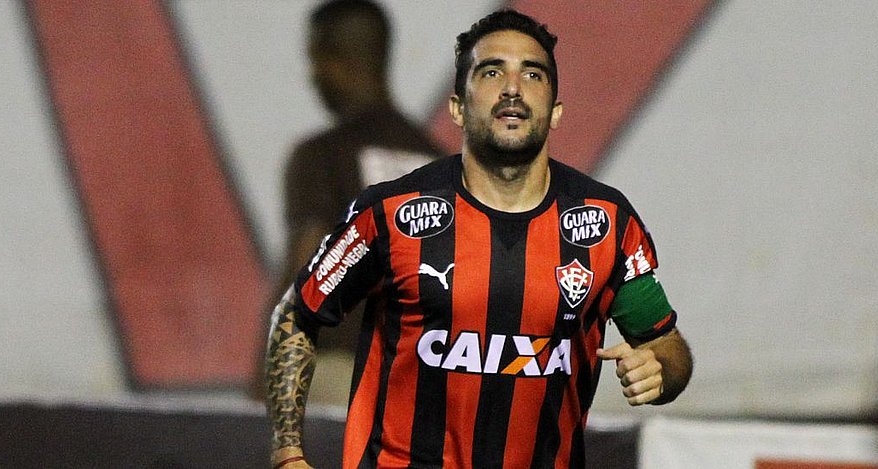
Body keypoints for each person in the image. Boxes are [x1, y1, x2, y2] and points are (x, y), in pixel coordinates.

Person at [265, 9, 694, 468]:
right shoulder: (390, 213)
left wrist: (660, 372)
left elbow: (665, 344)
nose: (512, 88)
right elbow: (298, 313)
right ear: (457, 107)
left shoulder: (606, 223)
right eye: (492, 72)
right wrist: (288, 452)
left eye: (532, 74)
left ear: (555, 111)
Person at [277, 0, 444, 351]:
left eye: (316, 60)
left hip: (342, 364)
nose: (312, 77)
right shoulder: (442, 163)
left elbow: (304, 270)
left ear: (338, 61)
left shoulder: (322, 156)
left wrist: (267, 369)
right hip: (424, 368)